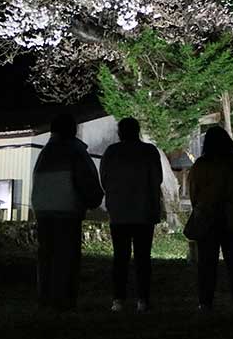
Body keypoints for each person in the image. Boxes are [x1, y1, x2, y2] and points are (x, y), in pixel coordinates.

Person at [31, 112, 104, 311]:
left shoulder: (45, 153)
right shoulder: (75, 151)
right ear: (73, 130)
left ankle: (45, 298)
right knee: (67, 258)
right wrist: (93, 199)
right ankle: (65, 300)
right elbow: (88, 182)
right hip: (67, 211)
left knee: (47, 257)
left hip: (44, 212)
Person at [99, 116, 163, 313]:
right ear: (138, 131)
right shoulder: (149, 151)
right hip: (144, 212)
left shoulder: (111, 152)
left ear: (120, 133)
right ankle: (143, 300)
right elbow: (157, 179)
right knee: (143, 257)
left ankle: (118, 299)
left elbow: (105, 179)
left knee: (120, 257)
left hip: (119, 212)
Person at [188, 125, 233, 311]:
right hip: (232, 219)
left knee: (206, 264)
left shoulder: (201, 165)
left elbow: (194, 194)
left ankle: (205, 301)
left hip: (207, 218)